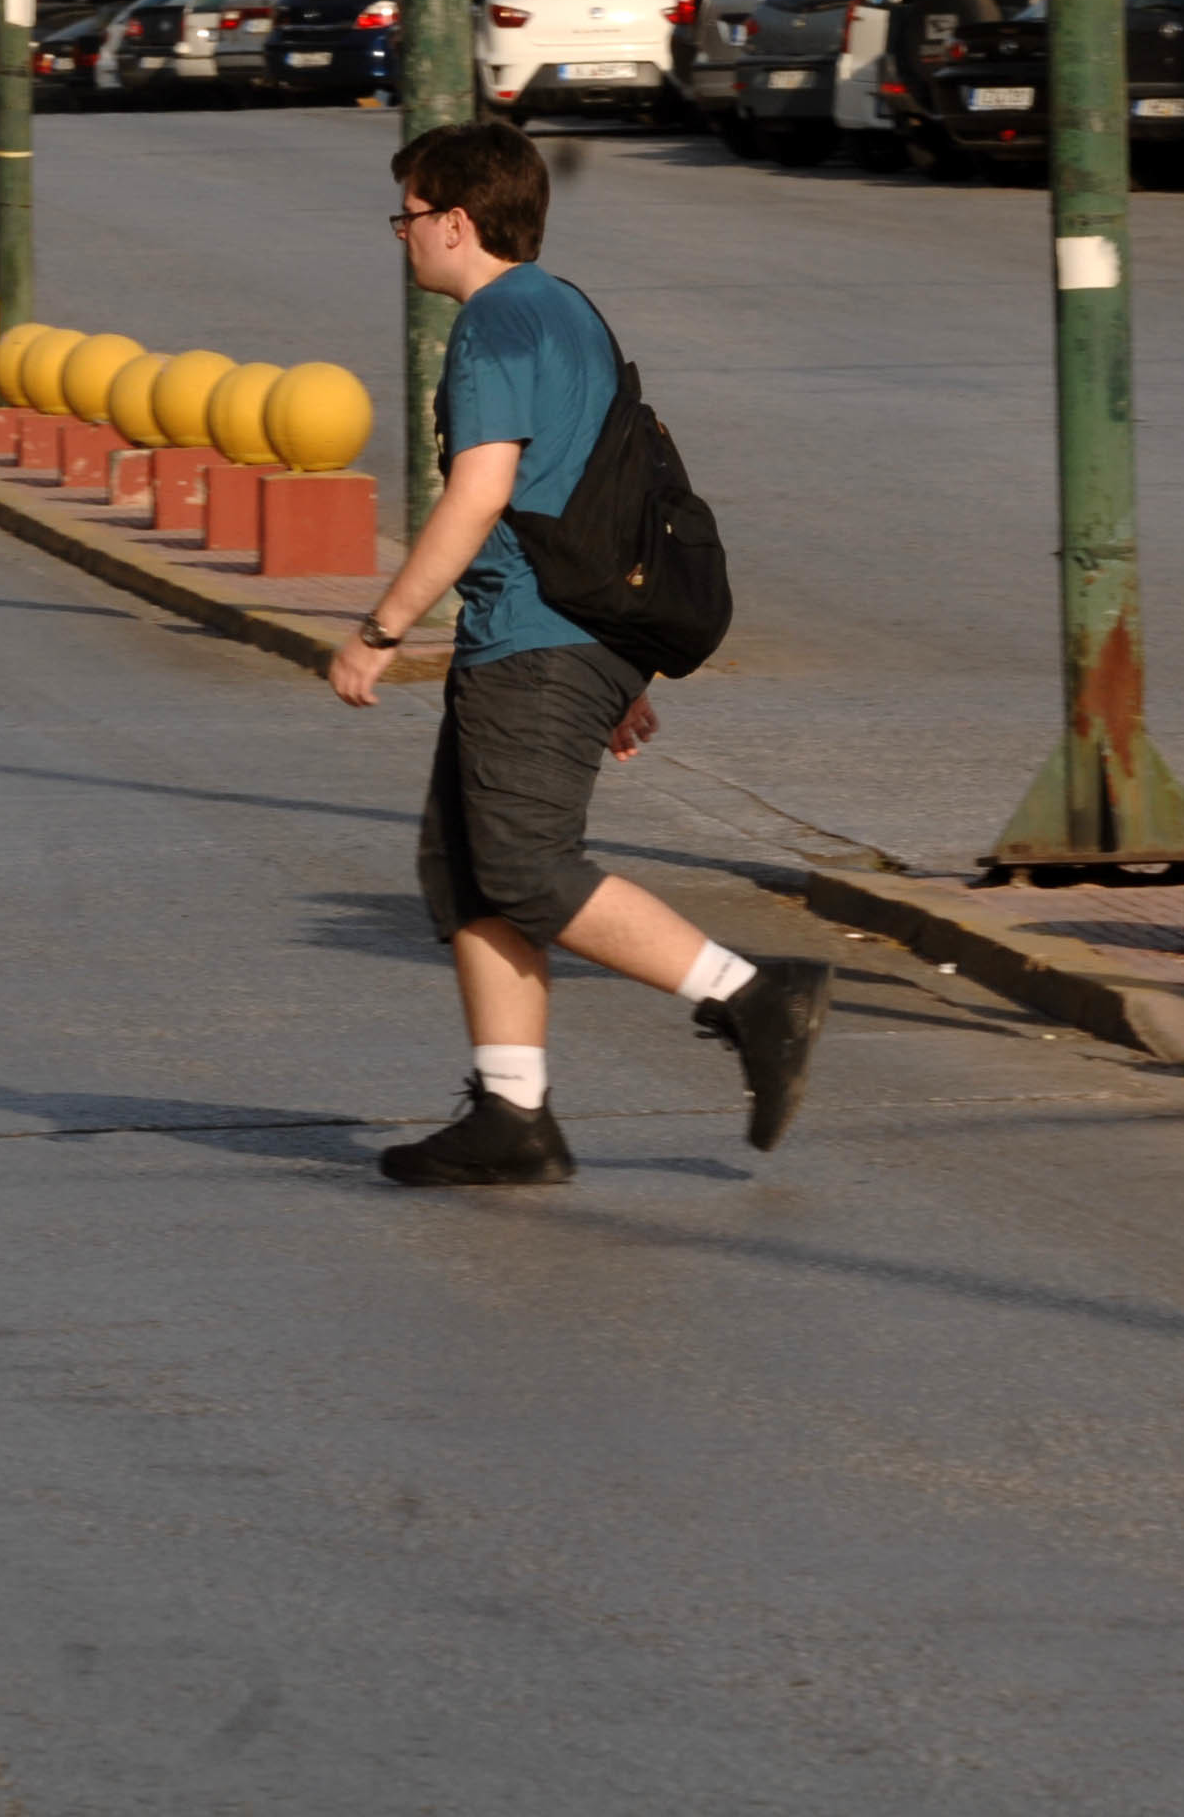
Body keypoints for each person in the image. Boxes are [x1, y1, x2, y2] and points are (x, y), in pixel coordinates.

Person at [326, 119, 828, 1187]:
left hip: (532, 641)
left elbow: (482, 492)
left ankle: (752, 996)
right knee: (463, 869)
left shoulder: (495, 324)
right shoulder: (565, 310)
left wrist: (378, 632)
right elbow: (603, 502)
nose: (399, 236)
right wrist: (620, 668)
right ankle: (511, 1113)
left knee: (520, 866)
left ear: (455, 220)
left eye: (407, 215)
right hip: (563, 636)